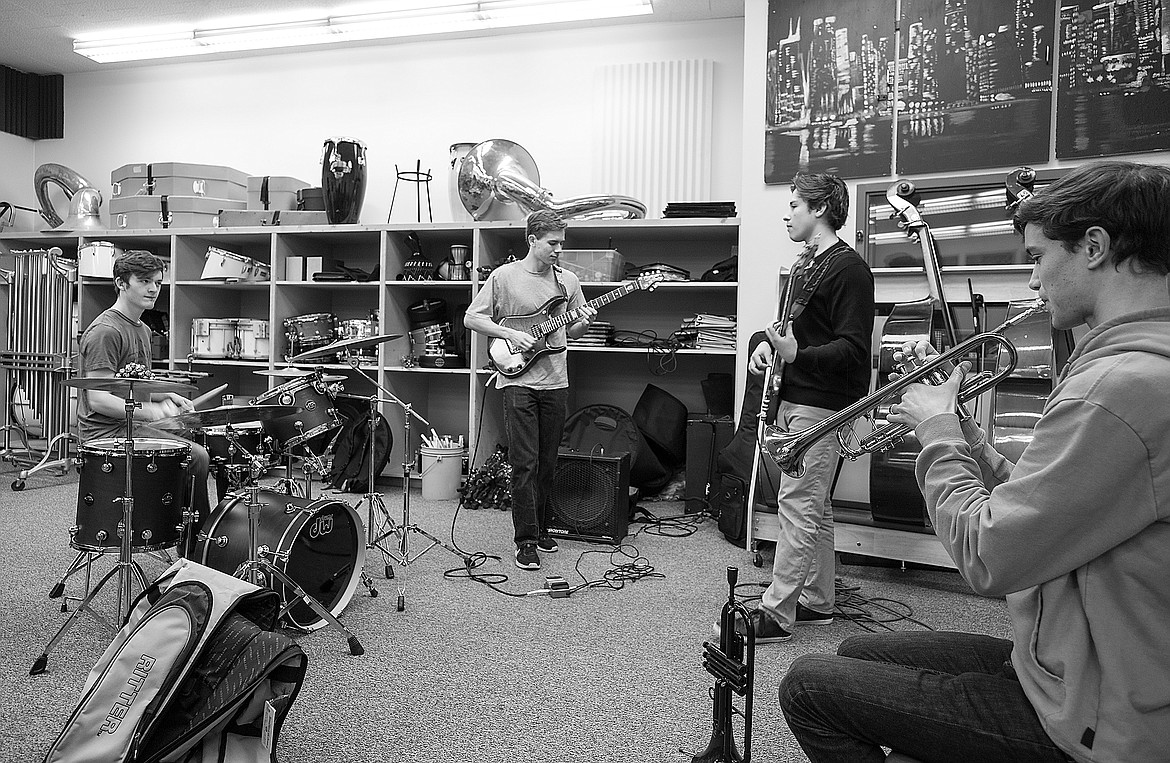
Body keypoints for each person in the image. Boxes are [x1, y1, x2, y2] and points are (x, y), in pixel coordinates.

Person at [778, 160, 1170, 762]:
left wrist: (935, 433)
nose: (1033, 281)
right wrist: (972, 445)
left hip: (1101, 717)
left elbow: (991, 558)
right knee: (860, 653)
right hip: (1072, 662)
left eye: (1037, 258)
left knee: (807, 687)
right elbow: (1056, 508)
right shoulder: (1130, 366)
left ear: (1094, 247)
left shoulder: (1120, 389)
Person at [723, 171, 875, 642]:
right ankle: (817, 601)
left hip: (822, 407)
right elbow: (793, 330)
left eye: (794, 204)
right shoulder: (807, 266)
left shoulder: (850, 270)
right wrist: (770, 347)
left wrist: (797, 355)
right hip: (795, 397)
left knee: (796, 505)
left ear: (820, 210)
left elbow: (854, 350)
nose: (787, 213)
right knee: (816, 506)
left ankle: (776, 612)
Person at [464, 210, 596, 570]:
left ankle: (539, 529)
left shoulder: (567, 281)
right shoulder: (504, 277)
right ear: (532, 241)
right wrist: (509, 333)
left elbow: (573, 333)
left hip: (556, 381)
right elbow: (472, 317)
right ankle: (525, 541)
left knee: (548, 462)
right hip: (518, 381)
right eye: (552, 243)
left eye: (562, 244)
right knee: (525, 463)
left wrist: (583, 322)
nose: (558, 250)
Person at [77, 249, 215, 543]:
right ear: (121, 283)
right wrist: (151, 412)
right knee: (195, 457)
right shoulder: (106, 331)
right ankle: (196, 543)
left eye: (157, 282)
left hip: (131, 424)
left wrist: (170, 396)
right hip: (106, 433)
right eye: (144, 281)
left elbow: (137, 382)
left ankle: (184, 530)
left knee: (201, 436)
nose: (153, 289)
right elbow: (99, 400)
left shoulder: (141, 329)